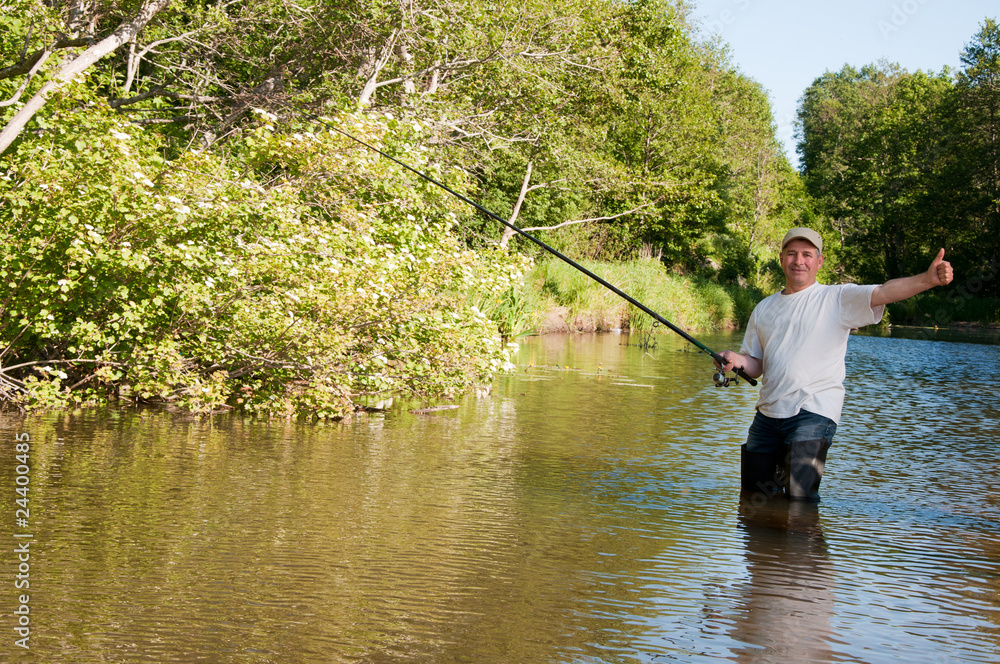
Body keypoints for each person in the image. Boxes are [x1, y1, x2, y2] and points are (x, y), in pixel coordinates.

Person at [717, 227, 954, 502]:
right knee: (753, 498)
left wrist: (927, 280)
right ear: (781, 258)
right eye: (792, 253)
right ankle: (763, 547)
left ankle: (803, 542)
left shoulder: (836, 298)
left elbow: (884, 292)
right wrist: (734, 361)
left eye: (807, 254)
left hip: (813, 411)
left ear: (820, 261)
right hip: (768, 414)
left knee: (798, 498)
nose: (799, 260)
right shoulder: (764, 308)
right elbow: (757, 364)